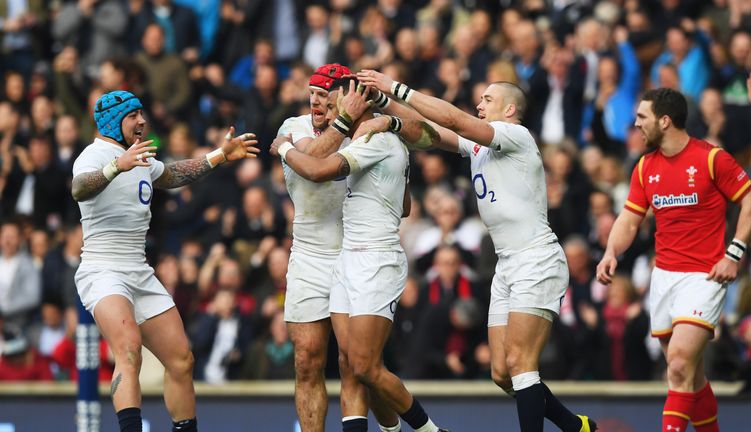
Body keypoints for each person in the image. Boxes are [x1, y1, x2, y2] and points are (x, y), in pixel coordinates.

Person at [357, 69, 596, 432]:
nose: (479, 104)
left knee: (521, 364)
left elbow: (453, 119)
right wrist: (386, 110)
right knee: (502, 373)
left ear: (511, 109)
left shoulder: (517, 135)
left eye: (487, 99)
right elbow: (432, 132)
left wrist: (395, 87)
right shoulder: (480, 145)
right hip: (507, 264)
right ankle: (576, 427)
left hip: (536, 258)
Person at [71, 90, 258, 432]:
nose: (142, 121)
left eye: (142, 114)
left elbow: (170, 175)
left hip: (139, 270)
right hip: (102, 269)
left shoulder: (139, 155)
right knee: (129, 350)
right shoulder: (94, 154)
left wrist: (219, 156)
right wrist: (115, 167)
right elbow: (80, 188)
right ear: (114, 121)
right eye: (133, 116)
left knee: (182, 359)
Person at [273, 63, 441, 432]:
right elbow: (315, 156)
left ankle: (392, 428)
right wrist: (344, 124)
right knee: (307, 359)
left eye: (325, 95)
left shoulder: (367, 130)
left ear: (346, 96)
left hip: (358, 253)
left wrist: (390, 122)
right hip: (311, 255)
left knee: (358, 366)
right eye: (312, 94)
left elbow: (420, 143)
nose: (317, 102)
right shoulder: (295, 127)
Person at [596, 88, 751, 431]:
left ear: (665, 120)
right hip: (664, 278)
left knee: (677, 365)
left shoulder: (711, 158)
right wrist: (611, 251)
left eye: (642, 118)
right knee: (690, 375)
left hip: (705, 276)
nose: (636, 125)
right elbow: (629, 219)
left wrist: (734, 253)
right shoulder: (645, 167)